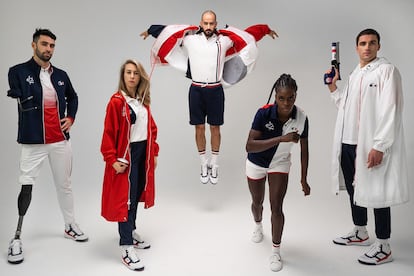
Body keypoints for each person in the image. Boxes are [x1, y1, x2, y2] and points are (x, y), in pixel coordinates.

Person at [140, 10, 278, 185]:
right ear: (201, 23)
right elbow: (169, 31)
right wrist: (150, 30)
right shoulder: (190, 39)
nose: (208, 26)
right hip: (196, 90)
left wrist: (265, 30)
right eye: (205, 23)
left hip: (215, 91)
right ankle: (203, 163)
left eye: (211, 23)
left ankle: (215, 162)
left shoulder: (224, 40)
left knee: (215, 128)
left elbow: (247, 35)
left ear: (216, 24)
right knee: (198, 128)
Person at [325, 28, 409, 265]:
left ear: (379, 46)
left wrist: (380, 145)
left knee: (377, 192)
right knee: (355, 191)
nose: (367, 47)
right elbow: (346, 106)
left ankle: (384, 245)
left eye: (372, 43)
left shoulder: (386, 71)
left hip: (370, 144)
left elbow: (391, 109)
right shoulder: (355, 74)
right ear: (356, 47)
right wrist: (332, 87)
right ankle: (360, 231)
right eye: (363, 43)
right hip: (348, 142)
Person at [6, 28, 88, 264]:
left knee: (65, 185)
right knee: (27, 186)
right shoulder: (18, 72)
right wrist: (17, 93)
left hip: (60, 140)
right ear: (34, 45)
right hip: (33, 141)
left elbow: (73, 97)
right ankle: (17, 237)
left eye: (52, 45)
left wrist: (70, 117)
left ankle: (70, 225)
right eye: (44, 44)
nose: (48, 49)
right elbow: (17, 90)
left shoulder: (61, 74)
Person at [245, 74, 310, 272]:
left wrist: (303, 179)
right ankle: (257, 225)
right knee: (257, 203)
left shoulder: (302, 117)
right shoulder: (263, 113)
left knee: (277, 206)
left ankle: (275, 251)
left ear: (295, 96)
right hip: (256, 162)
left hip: (280, 163)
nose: (286, 102)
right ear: (275, 96)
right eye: (282, 98)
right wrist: (282, 139)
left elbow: (305, 150)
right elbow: (249, 146)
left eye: (290, 97)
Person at [100, 59, 159, 271]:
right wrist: (112, 159)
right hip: (126, 156)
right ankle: (125, 247)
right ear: (123, 76)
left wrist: (154, 153)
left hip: (143, 154)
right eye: (128, 72)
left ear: (141, 76)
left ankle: (131, 232)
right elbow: (108, 133)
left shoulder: (143, 102)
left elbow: (151, 129)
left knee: (134, 196)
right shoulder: (116, 102)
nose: (132, 76)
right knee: (124, 200)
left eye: (135, 73)